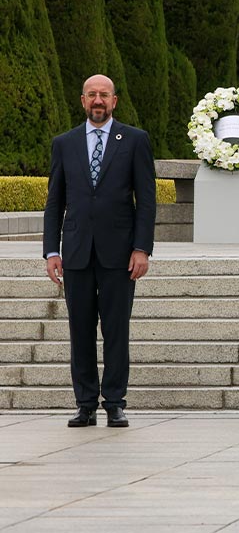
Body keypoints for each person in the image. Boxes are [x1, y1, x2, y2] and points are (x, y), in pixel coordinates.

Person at [43, 74, 156, 428]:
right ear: (82, 100)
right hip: (76, 252)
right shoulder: (65, 143)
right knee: (80, 329)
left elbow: (147, 200)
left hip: (119, 254)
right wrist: (51, 251)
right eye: (92, 94)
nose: (98, 100)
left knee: (116, 329)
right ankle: (85, 403)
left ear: (114, 101)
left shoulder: (135, 140)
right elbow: (55, 201)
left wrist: (141, 248)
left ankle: (115, 402)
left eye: (103, 95)